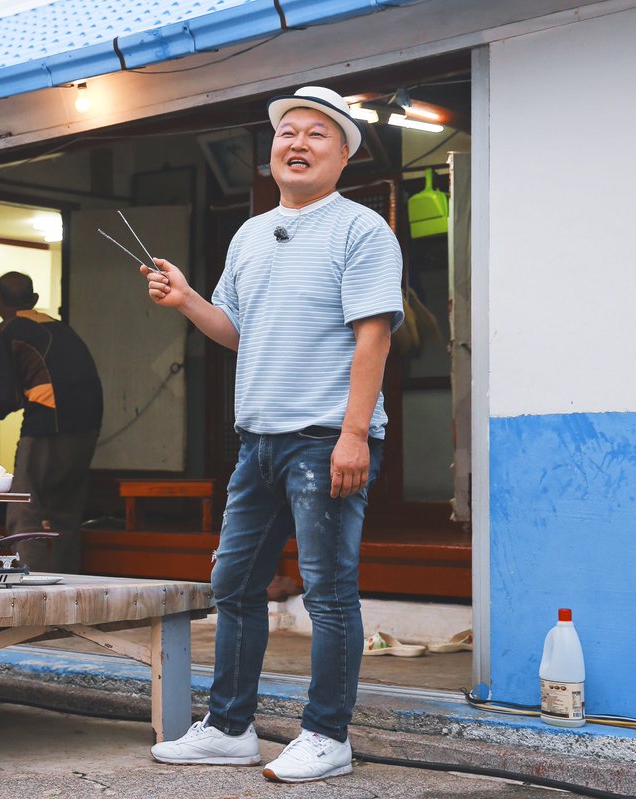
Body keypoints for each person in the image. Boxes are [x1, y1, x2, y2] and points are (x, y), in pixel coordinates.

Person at [145, 86, 404, 783]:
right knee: (233, 583)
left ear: (343, 154)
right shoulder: (251, 232)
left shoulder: (361, 230)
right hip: (256, 439)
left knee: (327, 591)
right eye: (287, 131)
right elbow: (237, 330)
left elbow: (373, 338)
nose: (297, 143)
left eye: (317, 134)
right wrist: (187, 298)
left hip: (327, 439)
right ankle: (230, 725)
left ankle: (329, 734)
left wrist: (356, 434)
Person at [0, 271, 103, 574]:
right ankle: (69, 590)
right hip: (87, 427)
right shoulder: (62, 329)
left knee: (24, 507)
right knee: (65, 515)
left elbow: (9, 398)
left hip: (46, 428)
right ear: (35, 300)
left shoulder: (5, 331)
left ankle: (31, 589)